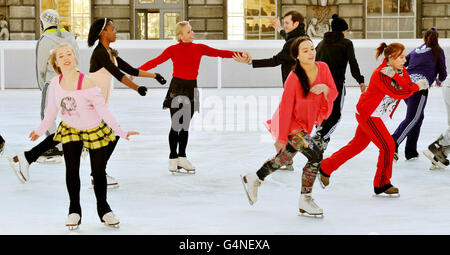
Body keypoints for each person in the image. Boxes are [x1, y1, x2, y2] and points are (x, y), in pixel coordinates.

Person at [9, 18, 165, 187]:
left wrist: (154, 76)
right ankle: (97, 174)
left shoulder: (110, 53)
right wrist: (136, 88)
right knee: (109, 136)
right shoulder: (99, 52)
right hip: (88, 102)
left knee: (65, 133)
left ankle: (27, 157)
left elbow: (131, 70)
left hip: (94, 102)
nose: (115, 31)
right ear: (103, 32)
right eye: (112, 29)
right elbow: (118, 75)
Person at [31, 43, 138, 228]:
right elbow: (51, 112)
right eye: (61, 56)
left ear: (74, 57)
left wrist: (121, 131)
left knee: (98, 172)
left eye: (69, 54)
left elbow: (103, 110)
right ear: (55, 62)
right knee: (71, 170)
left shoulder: (87, 83)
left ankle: (104, 210)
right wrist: (40, 130)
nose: (66, 58)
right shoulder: (55, 84)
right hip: (70, 128)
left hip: (94, 128)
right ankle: (74, 210)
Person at [241, 36, 338, 216]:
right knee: (316, 154)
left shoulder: (323, 68)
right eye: (305, 50)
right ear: (297, 56)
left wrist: (325, 89)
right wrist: (281, 138)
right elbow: (285, 109)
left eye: (312, 48)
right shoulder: (293, 78)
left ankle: (255, 177)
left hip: (306, 124)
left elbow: (333, 91)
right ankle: (305, 199)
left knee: (284, 158)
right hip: (293, 125)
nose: (311, 53)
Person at [318, 42, 428, 196]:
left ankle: (325, 167)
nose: (405, 60)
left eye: (404, 56)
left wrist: (401, 78)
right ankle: (382, 184)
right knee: (388, 146)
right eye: (401, 57)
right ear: (391, 57)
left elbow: (406, 85)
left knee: (357, 145)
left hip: (373, 114)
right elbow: (399, 93)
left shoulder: (399, 70)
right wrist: (417, 87)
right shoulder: (381, 73)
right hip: (368, 114)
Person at [138, 21, 246, 174]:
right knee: (176, 124)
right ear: (180, 36)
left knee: (185, 126)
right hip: (177, 88)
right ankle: (172, 158)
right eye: (188, 32)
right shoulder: (173, 49)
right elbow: (156, 61)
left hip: (191, 88)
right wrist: (137, 71)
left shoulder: (199, 48)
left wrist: (241, 54)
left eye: (191, 30)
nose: (192, 33)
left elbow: (219, 53)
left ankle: (182, 157)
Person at [236, 10, 307, 171]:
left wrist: (250, 62)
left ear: (296, 24)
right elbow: (289, 39)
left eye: (287, 23)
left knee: (284, 127)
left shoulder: (294, 43)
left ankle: (311, 154)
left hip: (296, 92)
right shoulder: (301, 38)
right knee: (286, 127)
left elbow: (275, 60)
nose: (285, 25)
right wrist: (280, 29)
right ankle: (289, 158)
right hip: (298, 91)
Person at [392, 27, 447, 161]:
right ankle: (392, 143)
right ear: (437, 38)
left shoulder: (417, 50)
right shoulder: (438, 51)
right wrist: (438, 80)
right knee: (413, 117)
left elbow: (402, 63)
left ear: (424, 38)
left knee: (418, 116)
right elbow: (443, 73)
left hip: (406, 85)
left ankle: (411, 151)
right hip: (419, 87)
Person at [313, 13, 366, 152]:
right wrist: (360, 80)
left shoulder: (320, 43)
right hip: (335, 84)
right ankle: (321, 136)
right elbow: (353, 63)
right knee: (336, 114)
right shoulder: (346, 43)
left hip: (319, 85)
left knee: (323, 112)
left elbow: (314, 64)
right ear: (343, 30)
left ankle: (321, 138)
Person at [37, 9, 79, 163]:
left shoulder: (44, 41)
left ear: (44, 23)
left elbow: (40, 67)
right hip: (70, 81)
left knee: (47, 114)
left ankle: (54, 146)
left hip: (52, 82)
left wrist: (43, 86)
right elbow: (77, 61)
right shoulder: (70, 39)